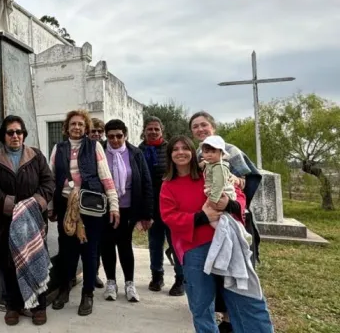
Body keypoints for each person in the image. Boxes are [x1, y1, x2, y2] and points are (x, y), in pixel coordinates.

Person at [159, 136, 273, 333]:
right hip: (193, 247)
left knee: (244, 297)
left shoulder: (210, 171)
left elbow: (238, 194)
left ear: (193, 151)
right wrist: (202, 217)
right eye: (175, 149)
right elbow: (169, 217)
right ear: (170, 156)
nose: (180, 152)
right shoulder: (168, 185)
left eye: (185, 148)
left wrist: (230, 205)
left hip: (227, 243)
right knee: (201, 305)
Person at [190, 111, 263, 332]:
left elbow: (248, 178)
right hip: (207, 220)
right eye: (195, 127)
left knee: (234, 266)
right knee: (214, 268)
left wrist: (233, 200)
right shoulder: (195, 154)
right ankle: (222, 315)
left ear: (213, 127)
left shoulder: (230, 151)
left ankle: (232, 318)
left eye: (204, 125)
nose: (200, 129)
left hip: (231, 215)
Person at [0, 115, 54, 326]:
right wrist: (12, 206)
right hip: (5, 221)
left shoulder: (36, 156)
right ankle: (12, 306)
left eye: (19, 132)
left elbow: (48, 182)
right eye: (11, 132)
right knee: (7, 264)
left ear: (24, 134)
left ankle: (38, 305)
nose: (15, 136)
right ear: (3, 136)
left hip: (32, 221)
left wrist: (33, 204)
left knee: (36, 259)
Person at [48, 109, 120, 316]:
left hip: (90, 207)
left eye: (80, 124)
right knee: (66, 251)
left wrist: (113, 205)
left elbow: (106, 178)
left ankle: (87, 293)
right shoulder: (58, 148)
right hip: (65, 207)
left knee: (89, 252)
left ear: (86, 127)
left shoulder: (94, 146)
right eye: (73, 124)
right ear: (67, 127)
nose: (77, 127)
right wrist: (51, 207)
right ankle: (64, 289)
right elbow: (52, 179)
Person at [100, 119, 154, 303]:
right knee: (106, 245)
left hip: (128, 208)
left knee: (125, 245)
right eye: (111, 136)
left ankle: (129, 283)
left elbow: (146, 182)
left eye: (119, 136)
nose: (115, 140)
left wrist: (147, 213)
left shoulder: (135, 153)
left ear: (125, 135)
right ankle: (111, 282)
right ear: (106, 136)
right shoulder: (98, 151)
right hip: (105, 208)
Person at [139, 116, 185, 296]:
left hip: (172, 205)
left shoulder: (170, 149)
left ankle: (180, 279)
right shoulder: (139, 150)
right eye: (149, 129)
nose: (153, 132)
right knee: (154, 243)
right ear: (144, 131)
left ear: (162, 131)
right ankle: (157, 276)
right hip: (151, 206)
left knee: (176, 243)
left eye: (156, 129)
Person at [200, 136, 237, 225]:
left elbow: (218, 184)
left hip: (220, 194)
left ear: (221, 153)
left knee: (214, 220)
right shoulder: (211, 164)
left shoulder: (218, 167)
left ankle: (230, 231)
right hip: (217, 193)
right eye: (206, 152)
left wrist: (213, 200)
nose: (209, 154)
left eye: (213, 151)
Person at [89, 117, 106, 289]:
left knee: (100, 243)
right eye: (93, 131)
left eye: (99, 131)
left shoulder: (107, 148)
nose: (96, 134)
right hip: (90, 201)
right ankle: (91, 273)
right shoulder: (85, 149)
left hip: (105, 200)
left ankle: (97, 273)